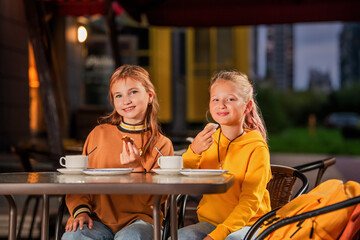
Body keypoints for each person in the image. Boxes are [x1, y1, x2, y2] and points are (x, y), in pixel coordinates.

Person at [62, 64, 174, 240]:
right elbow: (78, 181)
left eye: (133, 92)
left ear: (150, 96)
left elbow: (156, 200)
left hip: (143, 222)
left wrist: (138, 169)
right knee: (74, 236)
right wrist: (80, 212)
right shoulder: (98, 134)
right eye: (118, 95)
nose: (125, 100)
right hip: (97, 220)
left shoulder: (162, 144)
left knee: (131, 237)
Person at [177, 70, 272, 240]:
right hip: (210, 222)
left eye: (230, 99)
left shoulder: (257, 148)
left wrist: (219, 234)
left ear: (247, 106)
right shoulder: (206, 139)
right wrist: (194, 151)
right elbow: (179, 179)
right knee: (179, 237)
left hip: (249, 224)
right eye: (216, 99)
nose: (221, 105)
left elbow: (250, 201)